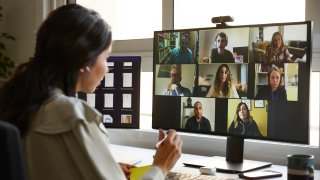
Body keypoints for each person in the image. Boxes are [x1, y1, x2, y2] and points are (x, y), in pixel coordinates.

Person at [0, 4, 182, 180]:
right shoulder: (74, 117)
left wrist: (103, 166)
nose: (107, 69)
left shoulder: (22, 104)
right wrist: (161, 166)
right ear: (84, 62)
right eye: (106, 57)